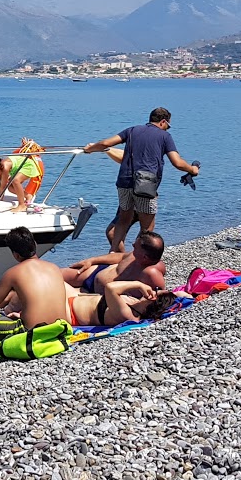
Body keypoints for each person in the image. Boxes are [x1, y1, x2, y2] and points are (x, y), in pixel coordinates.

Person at [82, 107, 199, 254]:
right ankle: (137, 257)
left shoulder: (132, 130)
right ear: (163, 121)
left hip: (124, 182)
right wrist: (192, 169)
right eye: (168, 126)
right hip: (145, 184)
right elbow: (177, 162)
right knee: (147, 227)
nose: (167, 129)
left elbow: (106, 143)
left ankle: (113, 252)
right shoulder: (164, 137)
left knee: (123, 219)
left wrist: (91, 149)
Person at [0, 226, 70, 344]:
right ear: (35, 244)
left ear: (16, 255)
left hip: (32, 334)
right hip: (61, 328)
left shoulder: (13, 273)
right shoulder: (54, 267)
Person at [62, 230, 166, 294]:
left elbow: (160, 297)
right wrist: (91, 260)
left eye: (136, 246)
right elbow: (120, 257)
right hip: (96, 272)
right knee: (55, 274)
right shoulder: (135, 255)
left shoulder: (152, 273)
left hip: (98, 295)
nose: (133, 245)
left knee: (57, 292)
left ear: (144, 257)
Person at [60, 280, 178, 328]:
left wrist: (138, 284)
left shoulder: (128, 315)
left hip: (69, 312)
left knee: (46, 279)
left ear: (153, 298)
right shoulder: (135, 303)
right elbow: (183, 295)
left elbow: (110, 287)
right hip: (74, 297)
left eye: (155, 290)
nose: (152, 289)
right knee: (52, 274)